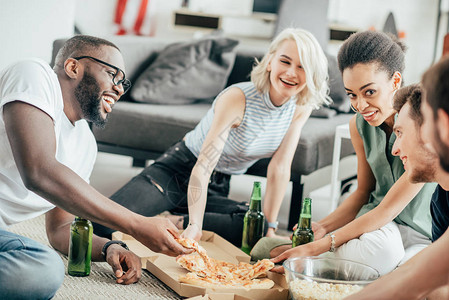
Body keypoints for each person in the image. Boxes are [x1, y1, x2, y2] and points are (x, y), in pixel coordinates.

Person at [92, 27, 331, 246]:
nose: (291, 73)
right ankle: (170, 217)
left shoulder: (300, 107)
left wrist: (269, 228)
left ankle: (172, 220)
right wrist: (196, 224)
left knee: (253, 225)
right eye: (285, 61)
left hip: (218, 184)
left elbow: (279, 168)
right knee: (100, 226)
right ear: (269, 61)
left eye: (302, 67)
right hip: (179, 170)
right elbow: (203, 165)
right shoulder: (237, 98)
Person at [0, 35, 190, 299]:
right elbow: (39, 172)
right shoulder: (33, 75)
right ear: (73, 67)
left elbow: (60, 228)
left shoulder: (85, 144)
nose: (120, 89)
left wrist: (109, 247)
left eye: (123, 82)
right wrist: (137, 225)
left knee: (43, 268)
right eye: (113, 74)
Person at [270, 31, 436, 276]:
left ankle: (319, 263)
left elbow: (389, 208)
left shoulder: (422, 123)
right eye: (352, 94)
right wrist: (322, 227)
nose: (360, 105)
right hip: (379, 230)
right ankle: (317, 263)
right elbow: (363, 193)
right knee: (384, 253)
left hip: (421, 233)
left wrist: (319, 247)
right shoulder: (358, 126)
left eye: (369, 92)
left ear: (395, 80)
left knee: (409, 272)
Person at [346, 57, 449, 300]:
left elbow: (417, 279)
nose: (395, 148)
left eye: (401, 132)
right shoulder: (442, 199)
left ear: (442, 124)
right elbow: (420, 273)